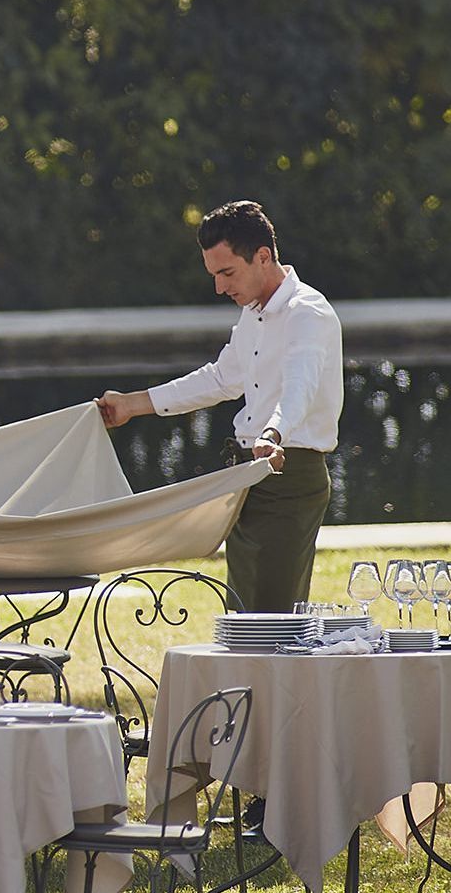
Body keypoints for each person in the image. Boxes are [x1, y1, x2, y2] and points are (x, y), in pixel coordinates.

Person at [95, 200, 343, 613]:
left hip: (288, 477)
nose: (219, 287)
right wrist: (132, 405)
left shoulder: (307, 312)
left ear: (263, 257)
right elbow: (220, 379)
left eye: (227, 273)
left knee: (270, 623)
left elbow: (300, 386)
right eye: (213, 275)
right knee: (243, 619)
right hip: (247, 476)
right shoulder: (253, 314)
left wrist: (272, 433)